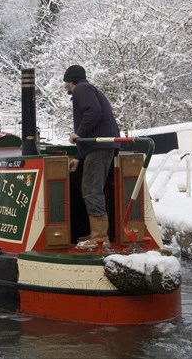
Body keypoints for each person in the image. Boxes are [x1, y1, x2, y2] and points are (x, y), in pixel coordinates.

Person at [64, 65, 120, 250]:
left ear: (71, 80)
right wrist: (79, 157)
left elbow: (92, 112)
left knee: (92, 190)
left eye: (66, 82)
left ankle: (100, 238)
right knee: (90, 189)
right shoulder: (87, 89)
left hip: (99, 147)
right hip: (98, 146)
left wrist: (78, 133)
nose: (64, 86)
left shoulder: (82, 88)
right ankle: (97, 234)